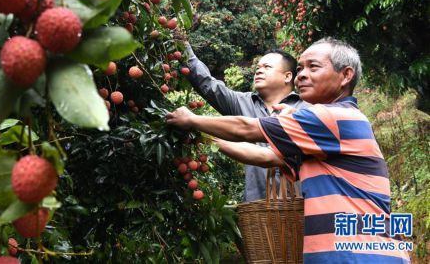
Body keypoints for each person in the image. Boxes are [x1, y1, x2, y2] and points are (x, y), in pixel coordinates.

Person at [167, 38, 410, 263]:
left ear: (346, 75)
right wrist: (208, 138)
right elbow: (265, 157)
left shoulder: (333, 117)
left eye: (313, 67)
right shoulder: (322, 128)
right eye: (301, 68)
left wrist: (192, 120)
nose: (301, 75)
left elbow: (247, 128)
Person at [180, 37, 308, 201]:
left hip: (302, 207)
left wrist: (201, 130)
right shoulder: (243, 102)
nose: (259, 71)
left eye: (267, 67)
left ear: (288, 76)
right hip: (255, 207)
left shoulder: (306, 108)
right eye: (258, 68)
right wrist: (183, 46)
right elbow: (208, 85)